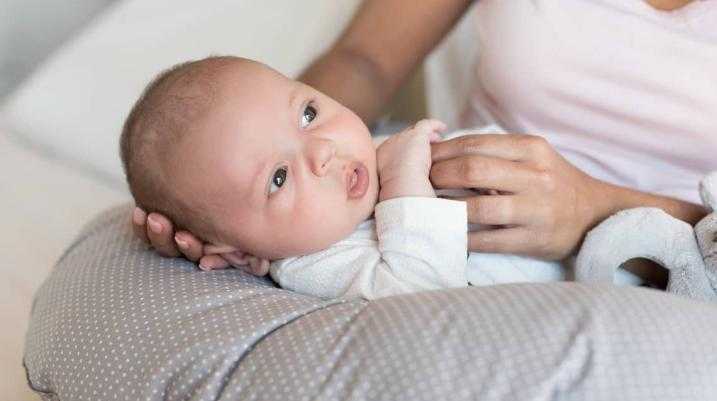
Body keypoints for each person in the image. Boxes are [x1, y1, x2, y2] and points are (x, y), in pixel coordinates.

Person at [130, 0, 714, 277]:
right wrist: (239, 187)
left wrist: (594, 209)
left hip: (675, 268)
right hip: (435, 215)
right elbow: (364, 61)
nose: (320, 149)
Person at [121, 56, 576, 299]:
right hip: (571, 295)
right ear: (242, 252)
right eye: (278, 178)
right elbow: (419, 297)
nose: (323, 150)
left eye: (308, 113)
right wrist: (403, 181)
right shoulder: (317, 261)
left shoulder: (364, 162)